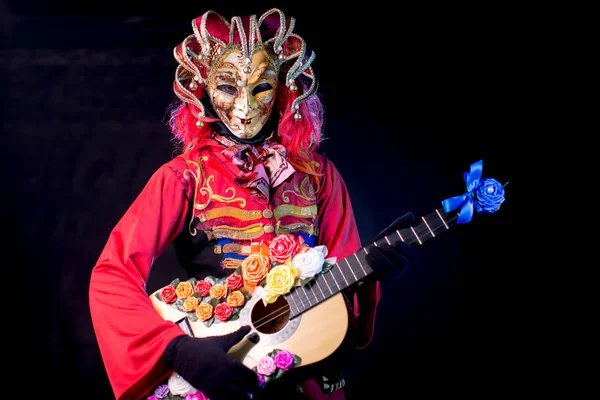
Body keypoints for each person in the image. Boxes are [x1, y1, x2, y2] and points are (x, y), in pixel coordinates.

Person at [89, 8, 420, 400]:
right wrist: (177, 350)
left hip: (304, 375)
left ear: (282, 87)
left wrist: (370, 273)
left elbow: (347, 299)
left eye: (260, 87)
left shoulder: (319, 177)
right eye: (228, 87)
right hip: (217, 368)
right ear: (203, 88)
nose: (244, 106)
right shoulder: (184, 177)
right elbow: (112, 275)